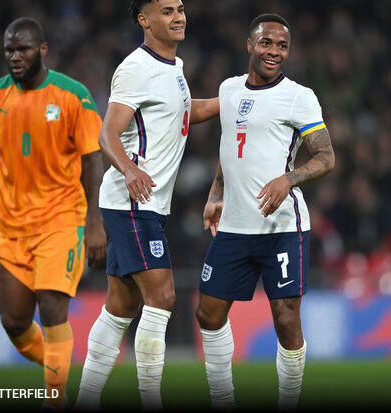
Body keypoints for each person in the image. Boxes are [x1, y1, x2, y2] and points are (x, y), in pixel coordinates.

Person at [0, 17, 106, 410]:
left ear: (42, 50)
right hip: (13, 228)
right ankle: (60, 370)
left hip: (61, 221)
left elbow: (93, 161)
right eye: (8, 50)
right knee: (15, 323)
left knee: (53, 306)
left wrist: (94, 223)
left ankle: (55, 399)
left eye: (22, 49)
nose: (14, 57)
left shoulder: (72, 96)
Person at [74, 0, 219, 411]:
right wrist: (129, 171)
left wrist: (240, 97)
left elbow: (186, 115)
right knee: (164, 297)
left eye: (181, 9)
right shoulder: (136, 67)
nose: (178, 17)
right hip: (133, 200)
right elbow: (107, 134)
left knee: (121, 306)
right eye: (167, 10)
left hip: (147, 203)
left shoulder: (174, 68)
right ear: (144, 19)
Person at [196, 14, 335, 411]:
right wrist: (215, 193)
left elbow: (326, 157)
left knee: (286, 321)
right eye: (266, 43)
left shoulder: (299, 96)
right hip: (236, 226)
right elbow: (229, 149)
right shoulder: (228, 90)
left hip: (282, 226)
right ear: (249, 44)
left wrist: (287, 180)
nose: (274, 51)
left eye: (282, 46)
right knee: (207, 313)